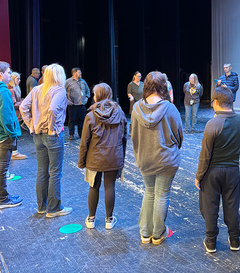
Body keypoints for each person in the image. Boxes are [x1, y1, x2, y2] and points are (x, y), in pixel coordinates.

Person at [131, 71, 183, 245]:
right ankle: (159, 234)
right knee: (161, 195)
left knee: (149, 192)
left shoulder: (136, 107)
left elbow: (133, 135)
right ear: (163, 86)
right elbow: (179, 134)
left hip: (145, 159)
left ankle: (145, 233)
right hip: (166, 159)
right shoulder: (170, 108)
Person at [195, 86, 240, 253]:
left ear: (215, 103)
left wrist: (199, 176)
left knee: (210, 207)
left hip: (213, 172)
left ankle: (211, 242)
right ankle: (235, 241)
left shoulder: (213, 123)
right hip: (233, 171)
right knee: (232, 206)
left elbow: (205, 155)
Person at [20, 63, 72, 217]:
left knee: (42, 171)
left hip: (37, 135)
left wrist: (31, 125)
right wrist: (53, 127)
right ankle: (54, 209)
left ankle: (41, 207)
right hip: (52, 136)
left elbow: (23, 107)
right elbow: (53, 109)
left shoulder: (36, 89)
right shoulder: (59, 90)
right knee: (55, 172)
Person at [78, 83, 127, 229]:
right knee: (109, 186)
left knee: (94, 187)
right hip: (114, 156)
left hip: (95, 158)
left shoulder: (90, 116)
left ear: (97, 96)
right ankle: (109, 220)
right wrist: (121, 158)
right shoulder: (120, 113)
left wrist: (81, 162)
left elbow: (84, 141)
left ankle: (91, 219)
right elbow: (124, 138)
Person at [0, 61, 23, 209]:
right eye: (8, 72)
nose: (10, 74)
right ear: (1, 74)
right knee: (2, 168)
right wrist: (12, 134)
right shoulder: (3, 91)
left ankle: (4, 195)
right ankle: (2, 199)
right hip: (4, 136)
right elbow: (6, 116)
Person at [65, 67, 90, 140]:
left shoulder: (83, 81)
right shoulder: (68, 82)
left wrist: (86, 97)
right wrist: (67, 100)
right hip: (73, 105)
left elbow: (87, 90)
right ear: (74, 73)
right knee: (71, 120)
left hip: (81, 104)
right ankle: (71, 134)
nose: (80, 73)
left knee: (82, 120)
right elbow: (63, 92)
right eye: (79, 72)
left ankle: (81, 134)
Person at [8, 73, 27, 160]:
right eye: (17, 79)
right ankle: (14, 153)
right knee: (14, 133)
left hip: (16, 114)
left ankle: (14, 152)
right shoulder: (11, 90)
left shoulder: (15, 89)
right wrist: (21, 103)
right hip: (14, 115)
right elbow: (12, 104)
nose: (19, 81)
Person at [127, 71, 144, 136]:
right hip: (134, 102)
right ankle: (131, 131)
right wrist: (131, 97)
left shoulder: (142, 84)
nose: (139, 78)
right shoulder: (130, 84)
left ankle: (141, 131)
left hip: (141, 102)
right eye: (138, 76)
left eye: (140, 76)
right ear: (134, 76)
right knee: (133, 117)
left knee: (142, 116)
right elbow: (129, 93)